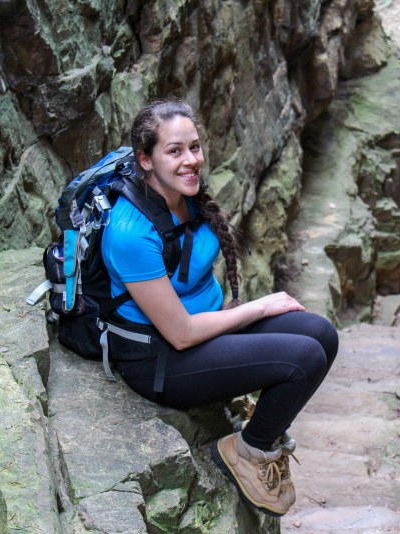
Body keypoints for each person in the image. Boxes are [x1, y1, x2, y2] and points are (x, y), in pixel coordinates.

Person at [100, 99, 339, 516]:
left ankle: (260, 431)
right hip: (161, 359)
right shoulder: (129, 232)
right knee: (302, 358)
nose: (191, 160)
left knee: (321, 333)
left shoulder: (185, 197)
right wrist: (260, 307)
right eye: (174, 151)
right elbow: (180, 333)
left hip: (206, 331)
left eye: (194, 147)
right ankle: (249, 451)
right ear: (145, 160)